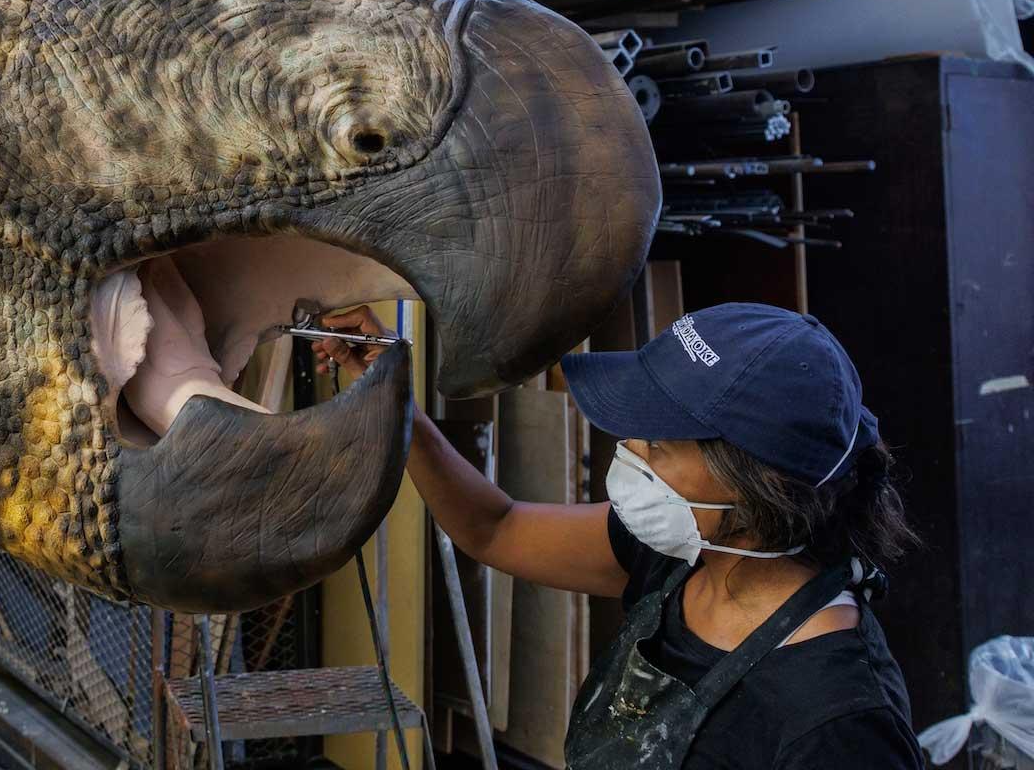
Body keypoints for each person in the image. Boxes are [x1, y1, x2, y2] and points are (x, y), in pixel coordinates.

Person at [312, 302, 923, 770]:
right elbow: (494, 529)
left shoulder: (837, 720)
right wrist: (400, 403)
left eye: (656, 443)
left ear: (753, 487)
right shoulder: (688, 556)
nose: (628, 448)